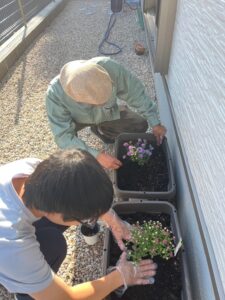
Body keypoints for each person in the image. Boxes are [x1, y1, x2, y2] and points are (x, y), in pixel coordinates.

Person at [0, 148, 157, 300]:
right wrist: (120, 276)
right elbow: (64, 298)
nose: (93, 220)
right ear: (57, 212)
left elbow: (74, 189)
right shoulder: (13, 244)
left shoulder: (32, 170)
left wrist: (110, 217)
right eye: (89, 219)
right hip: (6, 255)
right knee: (54, 245)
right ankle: (25, 294)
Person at [45, 56, 166, 170]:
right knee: (73, 159)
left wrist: (154, 121)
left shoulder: (109, 67)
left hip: (106, 114)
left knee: (139, 125)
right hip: (76, 120)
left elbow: (135, 93)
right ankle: (83, 155)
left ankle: (100, 130)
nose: (99, 104)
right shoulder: (55, 94)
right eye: (95, 103)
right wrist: (96, 155)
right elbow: (63, 136)